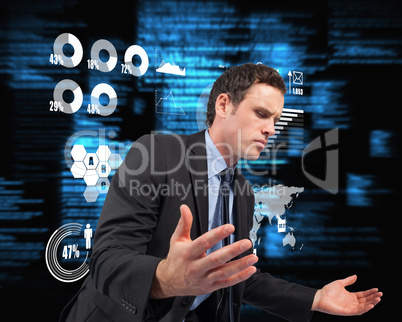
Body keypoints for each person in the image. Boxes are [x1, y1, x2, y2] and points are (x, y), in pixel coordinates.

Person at [60, 63, 382, 322]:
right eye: (261, 114)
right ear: (224, 105)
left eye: (276, 119)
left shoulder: (243, 193)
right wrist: (165, 278)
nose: (272, 128)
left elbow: (236, 275)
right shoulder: (159, 152)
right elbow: (106, 260)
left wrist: (315, 298)